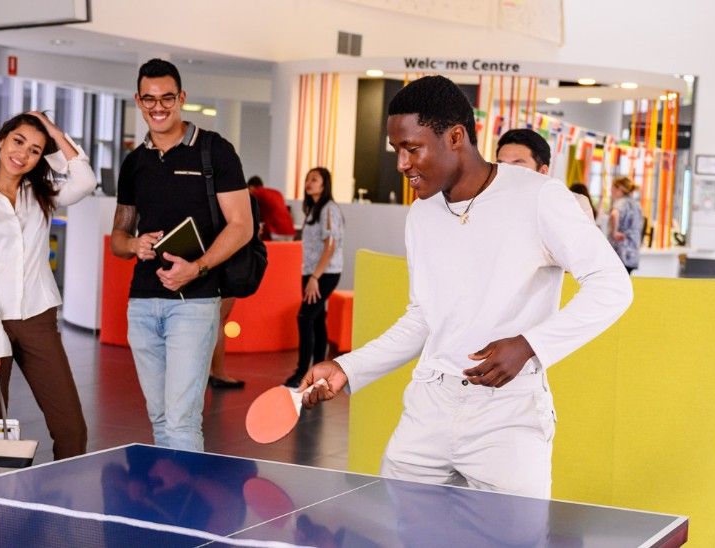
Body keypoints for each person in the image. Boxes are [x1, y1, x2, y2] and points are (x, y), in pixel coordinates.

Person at [299, 76, 632, 499]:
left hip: (507, 414)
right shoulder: (421, 215)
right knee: (401, 534)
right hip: (429, 405)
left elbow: (612, 286)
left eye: (412, 148)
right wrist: (348, 367)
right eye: (397, 150)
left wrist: (529, 344)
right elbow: (423, 317)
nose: (402, 164)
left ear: (456, 136)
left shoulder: (540, 197)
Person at [110, 59, 254, 451]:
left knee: (182, 421)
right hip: (142, 305)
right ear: (138, 101)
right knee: (161, 419)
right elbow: (118, 237)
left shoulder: (214, 150)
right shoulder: (134, 162)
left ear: (182, 98)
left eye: (167, 98)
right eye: (150, 99)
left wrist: (198, 267)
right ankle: (168, 504)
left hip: (194, 302)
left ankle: (182, 514)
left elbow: (242, 225)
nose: (158, 107)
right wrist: (134, 245)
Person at [0, 111, 96, 460]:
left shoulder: (44, 194)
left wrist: (50, 130)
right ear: (1, 140)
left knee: (71, 428)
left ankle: (63, 507)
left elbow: (85, 179)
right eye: (18, 141)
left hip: (38, 319)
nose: (23, 154)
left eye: (35, 150)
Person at [284, 167, 345, 387]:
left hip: (324, 274)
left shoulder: (329, 209)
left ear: (324, 184)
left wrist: (315, 278)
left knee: (305, 317)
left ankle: (302, 373)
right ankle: (319, 371)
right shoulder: (313, 209)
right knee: (317, 319)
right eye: (307, 179)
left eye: (314, 179)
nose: (309, 183)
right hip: (311, 272)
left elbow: (330, 246)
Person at [496, 128, 594, 220]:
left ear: (542, 171)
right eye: (501, 165)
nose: (506, 172)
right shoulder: (491, 200)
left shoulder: (574, 204)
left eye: (517, 165)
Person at [608, 177, 644, 273]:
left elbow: (614, 214)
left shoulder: (621, 202)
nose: (611, 191)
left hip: (621, 252)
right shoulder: (637, 205)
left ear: (620, 189)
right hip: (633, 253)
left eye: (612, 188)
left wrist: (614, 232)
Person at [248, 176, 295, 241]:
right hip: (290, 230)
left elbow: (249, 211)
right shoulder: (277, 192)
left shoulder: (256, 192)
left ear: (251, 187)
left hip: (276, 231)